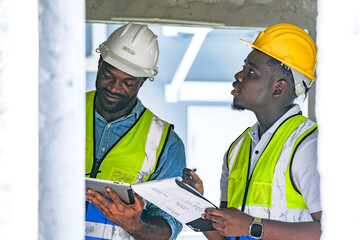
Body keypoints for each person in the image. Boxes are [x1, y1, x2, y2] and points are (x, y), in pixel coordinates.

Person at [183, 23, 321, 240]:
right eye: (243, 67)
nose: (238, 75)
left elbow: (335, 230)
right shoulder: (238, 148)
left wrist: (253, 227)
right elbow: (226, 234)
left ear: (279, 87)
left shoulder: (308, 146)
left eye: (251, 72)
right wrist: (194, 204)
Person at [85, 22, 186, 240]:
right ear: (100, 62)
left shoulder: (165, 143)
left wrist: (137, 226)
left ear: (142, 81)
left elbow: (168, 225)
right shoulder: (59, 114)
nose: (113, 87)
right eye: (108, 75)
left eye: (127, 82)